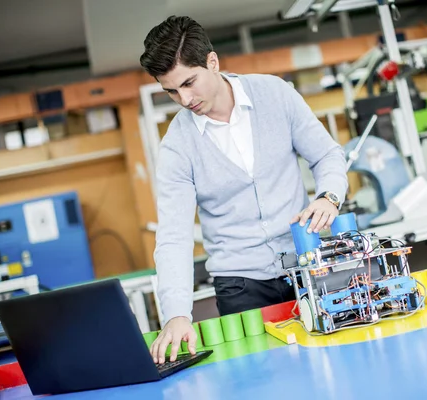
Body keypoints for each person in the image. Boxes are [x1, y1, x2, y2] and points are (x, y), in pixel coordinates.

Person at [139, 15, 348, 364]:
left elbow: (327, 154)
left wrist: (329, 195)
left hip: (308, 263)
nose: (184, 98)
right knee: (263, 378)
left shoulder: (275, 94)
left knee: (333, 362)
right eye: (172, 91)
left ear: (213, 62)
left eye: (189, 82)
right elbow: (173, 235)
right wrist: (177, 314)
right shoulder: (176, 146)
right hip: (240, 285)